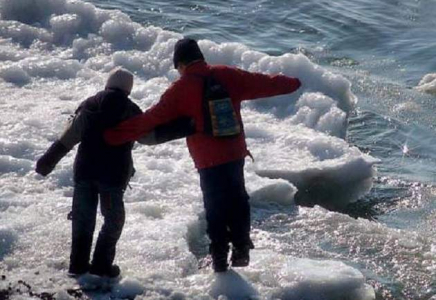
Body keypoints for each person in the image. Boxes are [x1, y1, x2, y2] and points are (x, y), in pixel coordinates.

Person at [104, 38, 301, 272]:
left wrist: (114, 134)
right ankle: (241, 249)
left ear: (180, 64)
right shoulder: (227, 75)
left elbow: (151, 119)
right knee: (238, 198)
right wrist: (293, 83)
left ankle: (219, 257)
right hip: (234, 152)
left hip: (207, 159)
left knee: (214, 205)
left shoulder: (180, 88)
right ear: (200, 56)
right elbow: (264, 83)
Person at [36, 68, 141, 278]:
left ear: (107, 83)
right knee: (113, 221)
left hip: (85, 172)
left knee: (82, 220)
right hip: (113, 177)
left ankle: (77, 266)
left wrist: (46, 163)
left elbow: (67, 138)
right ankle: (101, 265)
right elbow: (150, 135)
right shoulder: (132, 110)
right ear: (129, 90)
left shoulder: (89, 105)